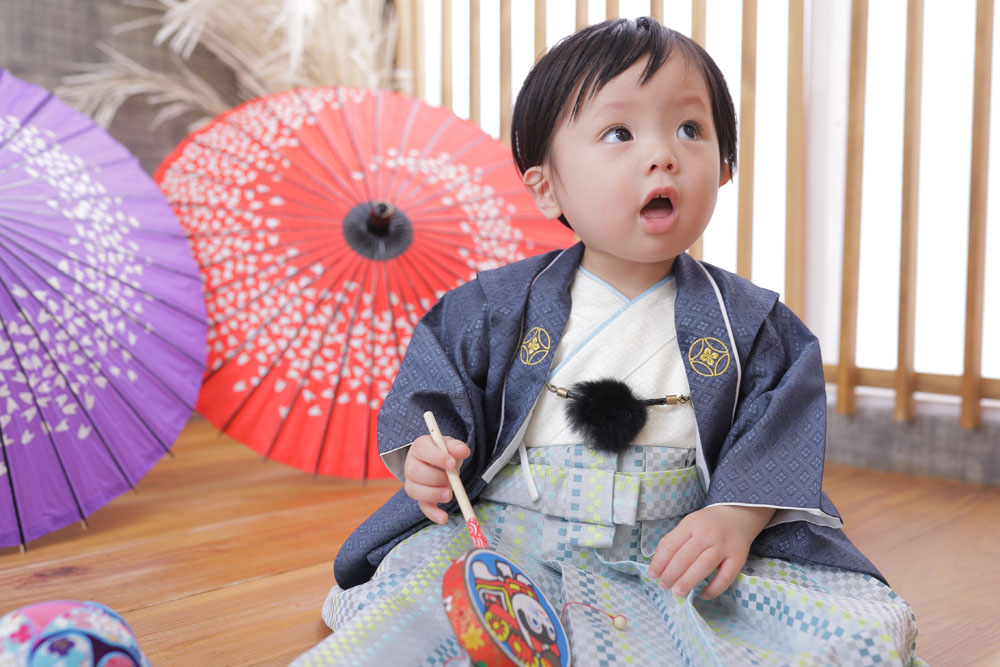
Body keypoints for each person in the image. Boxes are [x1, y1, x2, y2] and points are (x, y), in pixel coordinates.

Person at [295, 17, 921, 666]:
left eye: (690, 129)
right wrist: (428, 455)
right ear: (547, 187)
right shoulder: (494, 307)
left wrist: (735, 516)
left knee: (856, 634)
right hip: (516, 535)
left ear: (724, 167)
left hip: (680, 548)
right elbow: (435, 390)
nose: (663, 154)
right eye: (619, 133)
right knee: (414, 613)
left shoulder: (752, 323)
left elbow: (779, 428)